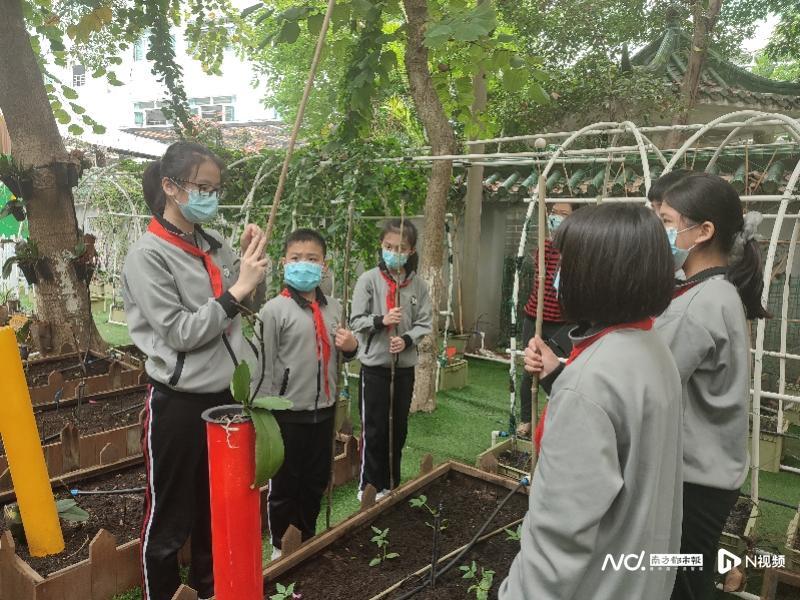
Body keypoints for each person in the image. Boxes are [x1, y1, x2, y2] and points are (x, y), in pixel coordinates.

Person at [500, 203, 682, 600]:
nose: (557, 276)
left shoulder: (590, 384)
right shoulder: (652, 348)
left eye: (566, 262)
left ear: (597, 274)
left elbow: (560, 534)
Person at [122, 141, 268, 600]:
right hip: (178, 402)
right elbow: (181, 333)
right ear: (170, 187)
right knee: (170, 513)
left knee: (216, 507)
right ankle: (161, 593)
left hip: (225, 398)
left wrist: (248, 269)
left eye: (215, 189)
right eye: (201, 187)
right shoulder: (147, 256)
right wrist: (236, 289)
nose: (211, 196)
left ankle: (211, 589)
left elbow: (243, 309)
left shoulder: (217, 246)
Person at [655, 173, 768, 600]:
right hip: (711, 473)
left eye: (665, 220)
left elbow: (647, 387)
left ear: (704, 232)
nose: (659, 231)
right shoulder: (715, 292)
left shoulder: (697, 307)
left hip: (695, 480)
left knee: (681, 582)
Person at [253, 228, 358, 559]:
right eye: (296, 259)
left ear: (323, 266)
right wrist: (262, 413)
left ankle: (307, 535)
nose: (304, 265)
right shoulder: (274, 311)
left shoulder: (335, 308)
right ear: (284, 263)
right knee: (285, 484)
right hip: (287, 412)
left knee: (315, 480)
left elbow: (344, 353)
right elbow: (264, 366)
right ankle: (280, 546)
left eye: (312, 259)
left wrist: (351, 346)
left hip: (325, 410)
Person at [350, 219, 433, 499]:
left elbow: (425, 322)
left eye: (401, 248)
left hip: (404, 368)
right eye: (388, 246)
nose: (394, 252)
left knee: (397, 428)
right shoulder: (369, 280)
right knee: (374, 429)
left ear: (411, 251)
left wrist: (406, 339)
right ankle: (370, 486)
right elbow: (356, 320)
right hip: (375, 368)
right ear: (381, 246)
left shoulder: (418, 286)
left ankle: (392, 482)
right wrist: (381, 320)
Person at [517, 201, 575, 437]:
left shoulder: (578, 250)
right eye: (554, 213)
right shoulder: (545, 246)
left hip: (564, 321)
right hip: (535, 316)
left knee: (561, 369)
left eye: (564, 214)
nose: (557, 218)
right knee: (528, 369)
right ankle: (526, 419)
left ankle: (558, 419)